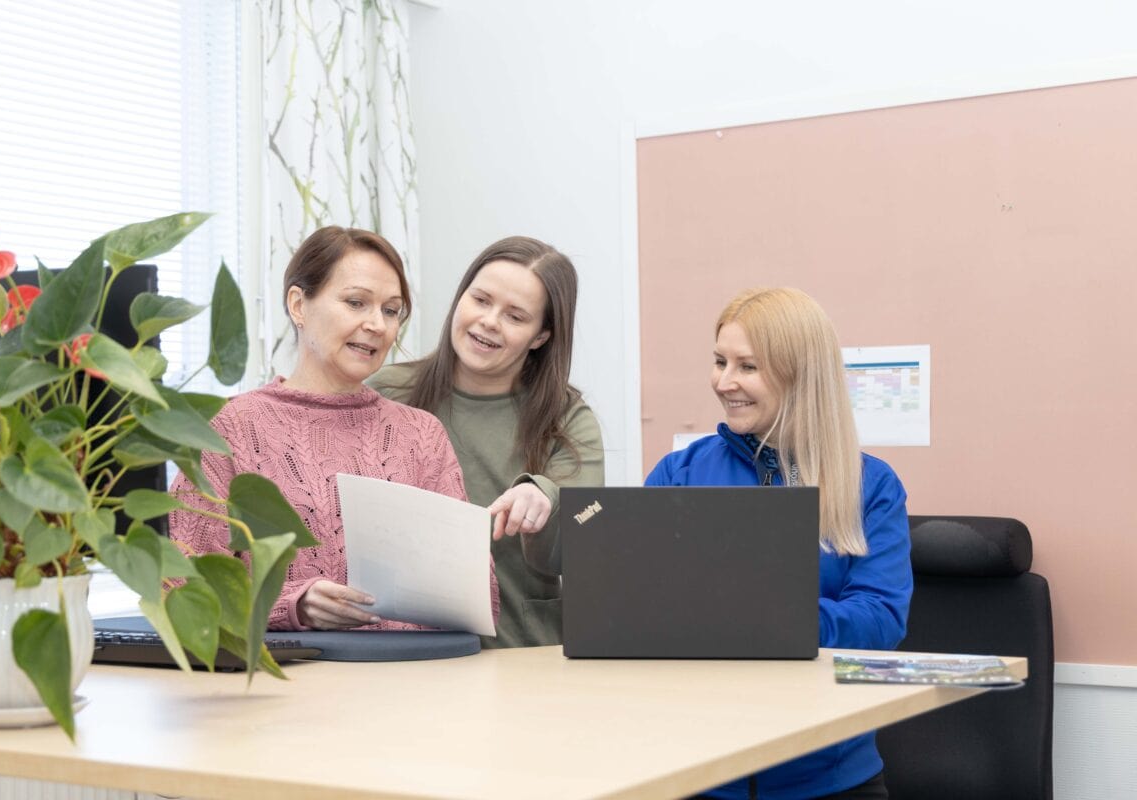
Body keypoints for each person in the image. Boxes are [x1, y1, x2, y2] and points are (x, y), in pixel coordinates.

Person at [646, 287, 912, 800]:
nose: (725, 383)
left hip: (829, 780)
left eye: (748, 366)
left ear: (799, 373)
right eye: (720, 361)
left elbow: (880, 619)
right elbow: (640, 603)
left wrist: (770, 620)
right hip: (699, 774)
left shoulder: (870, 485)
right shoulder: (678, 474)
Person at [170, 226, 499, 631]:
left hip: (417, 681)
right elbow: (182, 586)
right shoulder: (231, 427)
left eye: (391, 310)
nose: (377, 324)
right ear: (298, 304)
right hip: (294, 685)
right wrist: (294, 606)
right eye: (356, 302)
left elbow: (480, 595)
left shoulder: (422, 434)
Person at [371, 236, 604, 647]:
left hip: (524, 657)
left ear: (541, 336)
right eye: (480, 300)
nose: (489, 322)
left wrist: (545, 497)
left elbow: (584, 537)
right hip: (405, 656)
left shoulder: (566, 417)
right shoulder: (387, 394)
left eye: (515, 316)